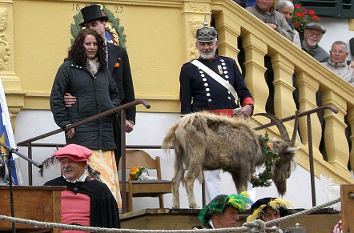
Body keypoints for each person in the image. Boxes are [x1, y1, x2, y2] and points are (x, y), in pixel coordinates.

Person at [179, 21, 254, 202]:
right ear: (197, 45)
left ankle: (247, 208)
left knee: (244, 169)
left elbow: (243, 91)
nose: (206, 47)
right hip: (207, 128)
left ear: (216, 44)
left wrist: (248, 106)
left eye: (209, 43)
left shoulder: (229, 64)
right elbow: (185, 104)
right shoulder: (189, 69)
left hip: (232, 126)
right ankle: (218, 212)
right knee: (212, 175)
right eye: (202, 44)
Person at [50, 28, 122, 205]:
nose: (91, 47)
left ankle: (109, 217)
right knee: (86, 185)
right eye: (87, 43)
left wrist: (110, 106)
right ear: (80, 46)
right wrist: (66, 123)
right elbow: (56, 98)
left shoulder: (104, 69)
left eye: (95, 44)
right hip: (81, 134)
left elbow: (116, 94)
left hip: (105, 134)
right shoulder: (68, 68)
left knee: (108, 184)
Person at [64, 4, 136, 168]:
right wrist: (65, 97)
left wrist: (130, 117)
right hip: (88, 118)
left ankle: (111, 191)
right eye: (89, 26)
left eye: (96, 24)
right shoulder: (78, 55)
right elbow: (70, 81)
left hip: (114, 115)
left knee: (113, 159)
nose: (93, 28)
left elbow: (127, 84)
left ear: (104, 25)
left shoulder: (119, 52)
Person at [44, 144, 120, 231]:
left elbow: (110, 224)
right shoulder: (50, 188)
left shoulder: (100, 190)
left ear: (84, 163)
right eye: (63, 162)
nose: (66, 166)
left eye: (70, 161)